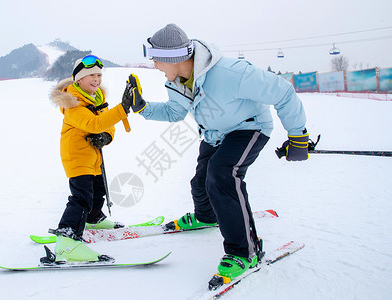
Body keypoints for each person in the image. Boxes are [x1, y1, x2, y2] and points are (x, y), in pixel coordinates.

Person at [123, 24, 308, 280]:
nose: (154, 65)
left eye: (156, 59)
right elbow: (174, 112)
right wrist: (143, 108)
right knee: (201, 182)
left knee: (222, 175)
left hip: (249, 127)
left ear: (173, 58)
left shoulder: (230, 73)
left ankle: (244, 251)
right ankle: (207, 216)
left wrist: (297, 135)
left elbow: (283, 92)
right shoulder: (177, 82)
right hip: (215, 133)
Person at [49, 55, 133, 262]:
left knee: (98, 189)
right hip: (76, 155)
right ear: (78, 80)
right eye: (90, 76)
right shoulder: (73, 104)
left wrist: (107, 136)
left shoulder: (97, 99)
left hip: (93, 154)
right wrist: (122, 108)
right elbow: (94, 124)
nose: (96, 79)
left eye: (98, 75)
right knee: (81, 197)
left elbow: (105, 124)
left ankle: (93, 219)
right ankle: (67, 241)